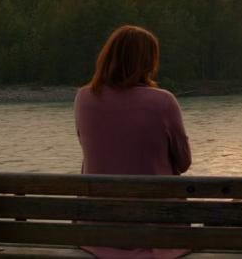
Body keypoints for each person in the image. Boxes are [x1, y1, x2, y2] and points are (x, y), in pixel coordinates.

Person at [74, 25, 191, 259]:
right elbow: (184, 162)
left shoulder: (84, 98)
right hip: (155, 231)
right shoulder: (163, 101)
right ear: (148, 62)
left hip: (96, 231)